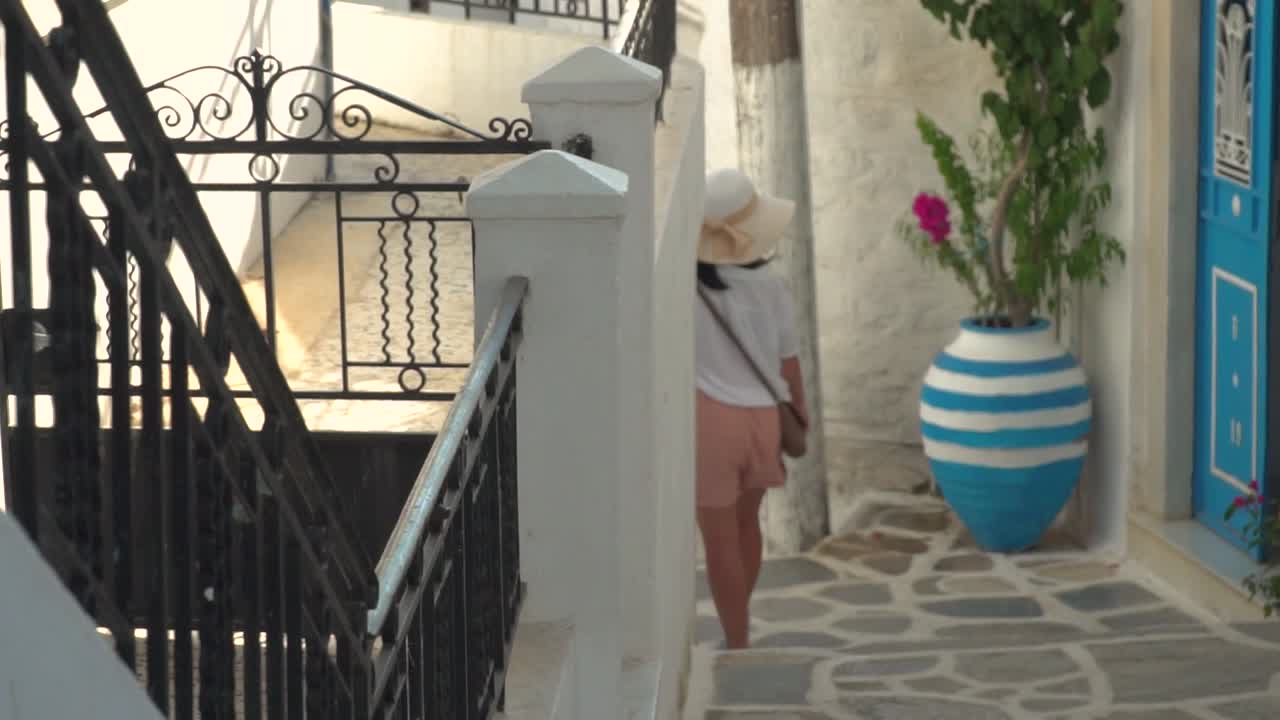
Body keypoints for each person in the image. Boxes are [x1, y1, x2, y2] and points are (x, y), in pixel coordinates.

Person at [695, 168, 809, 649]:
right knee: (747, 525)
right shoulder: (772, 287)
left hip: (710, 421)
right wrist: (800, 413)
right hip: (764, 418)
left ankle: (737, 641)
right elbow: (789, 363)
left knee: (719, 539)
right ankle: (740, 627)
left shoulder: (686, 287)